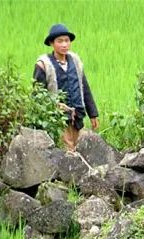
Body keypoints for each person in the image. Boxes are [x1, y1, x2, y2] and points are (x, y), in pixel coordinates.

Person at [35, 24, 99, 152]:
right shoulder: (44, 65)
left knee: (81, 151)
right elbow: (38, 95)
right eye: (60, 41)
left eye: (66, 40)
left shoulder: (75, 62)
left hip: (77, 118)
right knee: (66, 154)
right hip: (58, 121)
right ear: (52, 43)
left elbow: (84, 88)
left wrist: (93, 114)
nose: (64, 44)